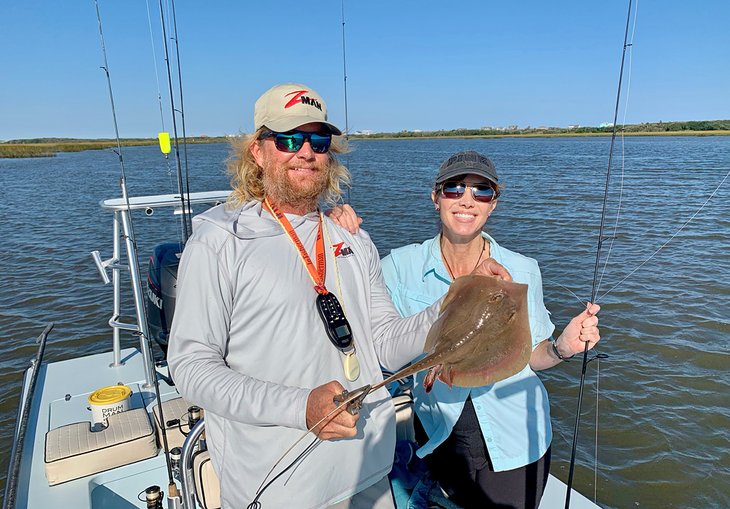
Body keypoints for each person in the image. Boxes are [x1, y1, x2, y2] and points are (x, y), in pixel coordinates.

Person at [167, 86, 510, 509]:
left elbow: (384, 342)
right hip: (275, 488)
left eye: (319, 140)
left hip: (367, 469)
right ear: (258, 152)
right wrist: (300, 407)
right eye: (289, 139)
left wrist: (457, 300)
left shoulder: (352, 237)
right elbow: (191, 367)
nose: (306, 152)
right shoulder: (220, 242)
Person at [332, 150, 601, 509]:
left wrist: (561, 348)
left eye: (482, 192)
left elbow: (530, 356)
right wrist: (338, 232)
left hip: (515, 437)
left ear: (494, 204)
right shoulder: (400, 266)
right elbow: (364, 324)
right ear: (436, 196)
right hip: (440, 431)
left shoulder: (522, 270)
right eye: (454, 188)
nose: (467, 200)